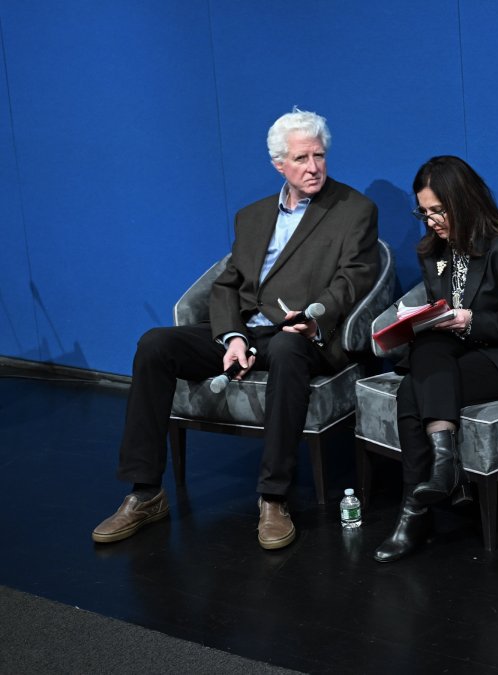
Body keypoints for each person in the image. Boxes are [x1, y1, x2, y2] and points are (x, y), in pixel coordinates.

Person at [92, 108, 380, 550]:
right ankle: (144, 492)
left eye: (319, 155)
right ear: (278, 164)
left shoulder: (353, 209)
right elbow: (227, 285)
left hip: (303, 335)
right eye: (301, 159)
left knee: (286, 347)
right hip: (250, 333)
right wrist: (233, 337)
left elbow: (353, 279)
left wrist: (314, 314)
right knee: (155, 344)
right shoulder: (252, 217)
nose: (313, 167)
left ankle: (273, 497)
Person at [372, 156, 498, 563]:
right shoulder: (433, 250)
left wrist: (469, 320)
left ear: (465, 201)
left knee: (410, 394)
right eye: (425, 211)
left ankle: (415, 511)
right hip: (451, 357)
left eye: (439, 210)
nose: (431, 220)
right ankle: (443, 473)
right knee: (427, 351)